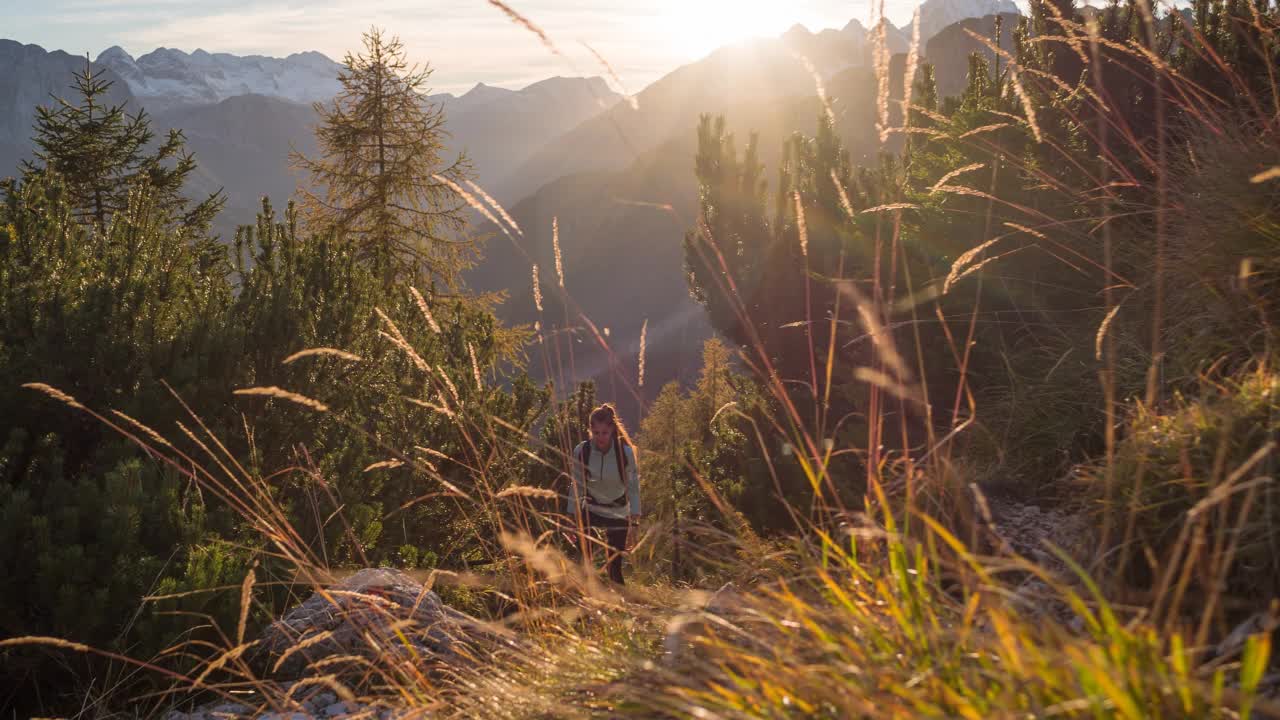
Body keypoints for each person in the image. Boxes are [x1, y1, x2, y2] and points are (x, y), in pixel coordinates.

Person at [566, 403, 641, 585]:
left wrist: (635, 518)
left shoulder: (624, 452)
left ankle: (621, 602)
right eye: (596, 432)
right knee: (586, 558)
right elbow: (577, 484)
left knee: (614, 568)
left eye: (604, 433)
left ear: (613, 430)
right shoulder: (582, 451)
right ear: (590, 430)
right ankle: (589, 592)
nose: (600, 437)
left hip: (618, 510)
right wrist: (570, 516)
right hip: (592, 508)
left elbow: (632, 485)